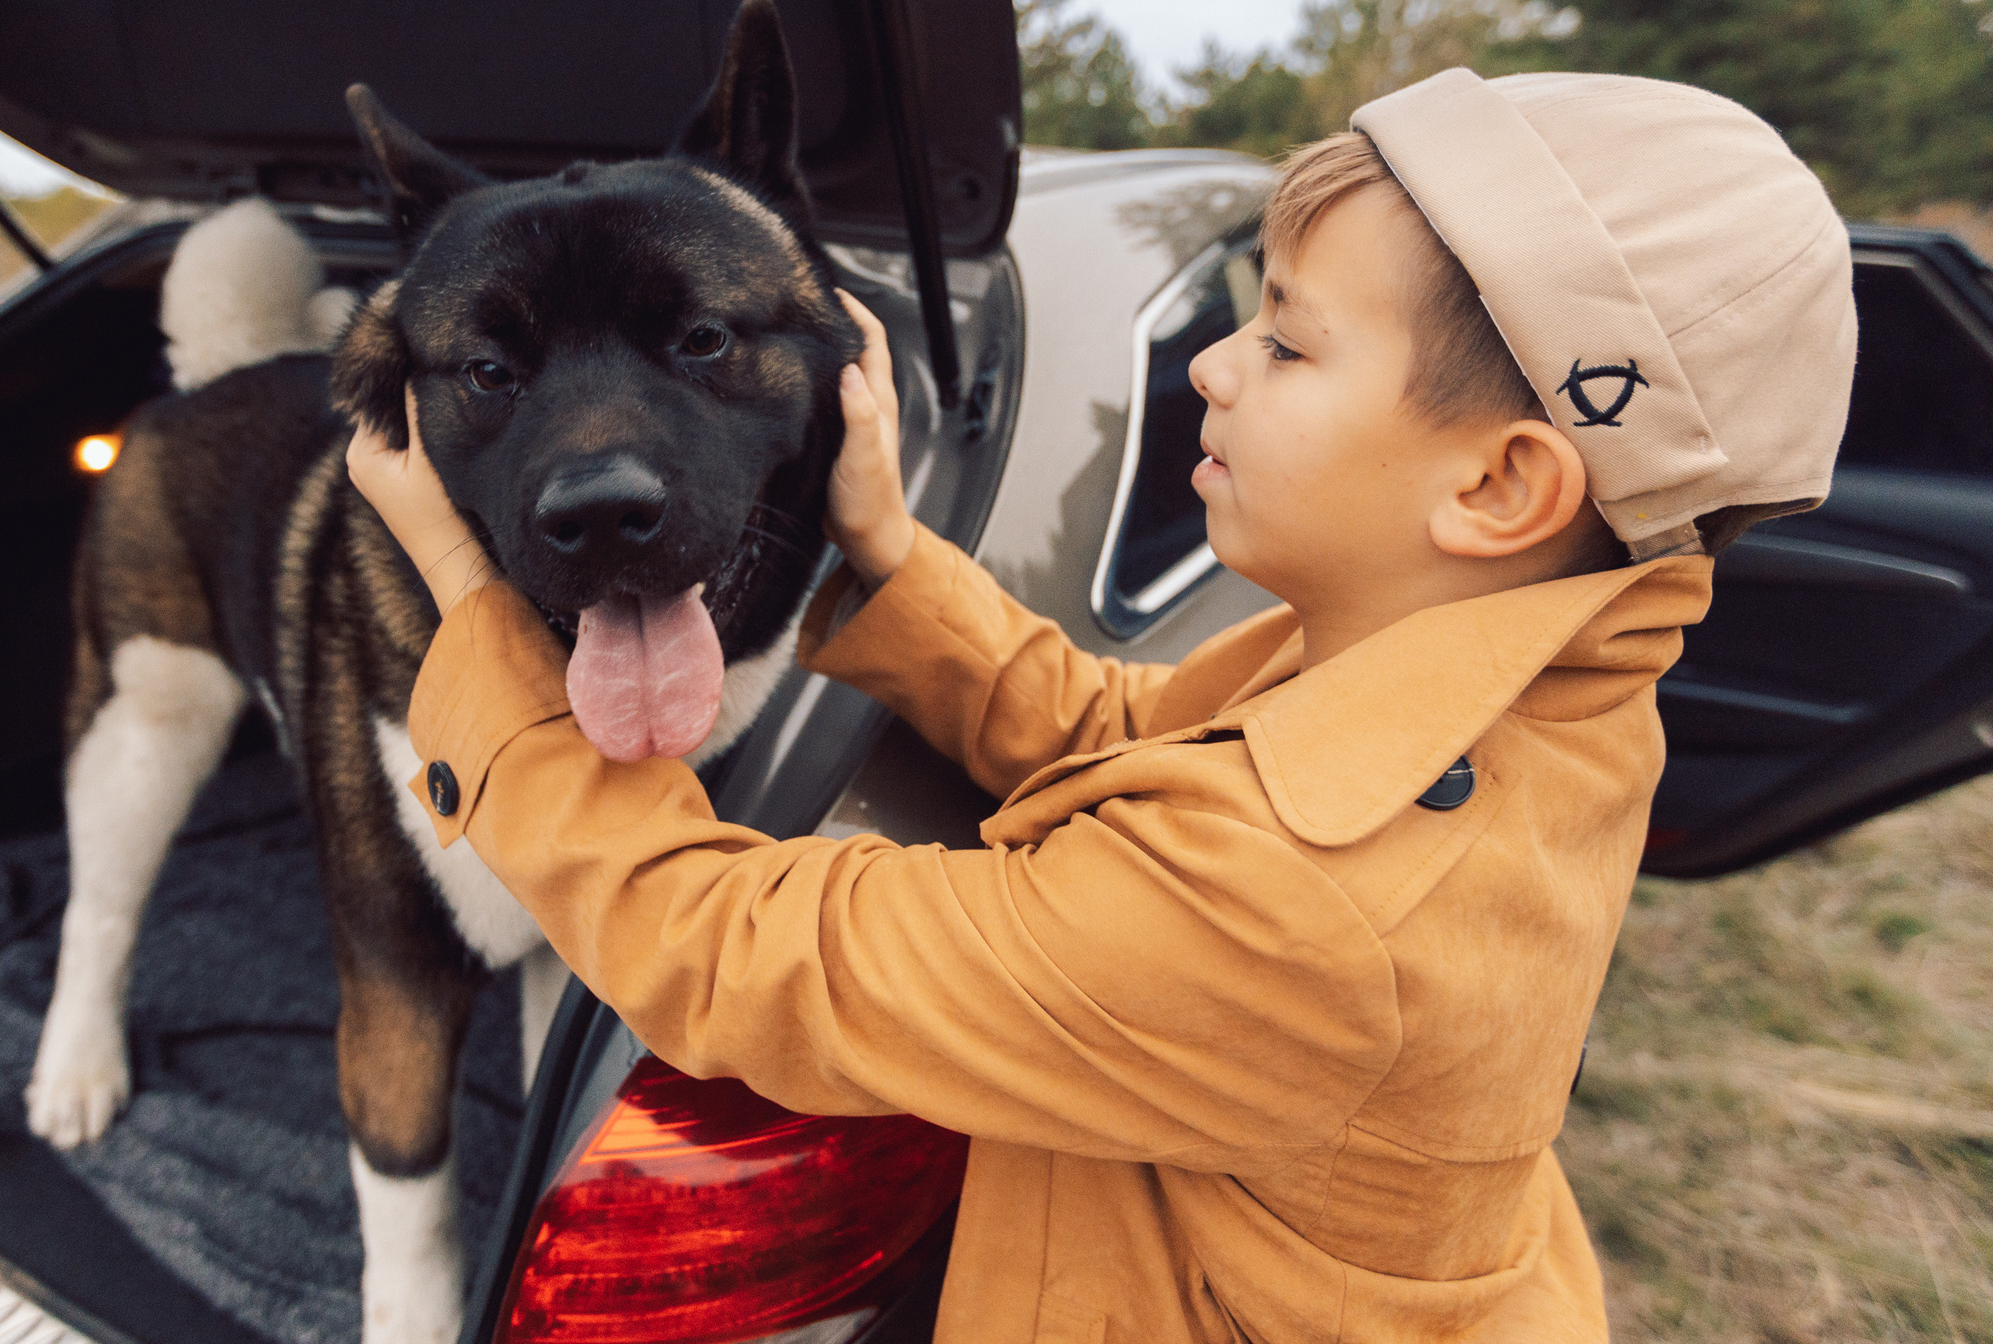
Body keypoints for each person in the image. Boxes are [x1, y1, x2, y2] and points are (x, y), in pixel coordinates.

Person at [347, 67, 1857, 1342]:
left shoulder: (1306, 910)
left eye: (1285, 339)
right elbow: (1121, 740)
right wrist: (884, 548)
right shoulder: (1491, 671)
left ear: (1499, 484)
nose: (1211, 361)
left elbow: (726, 957)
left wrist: (473, 620)